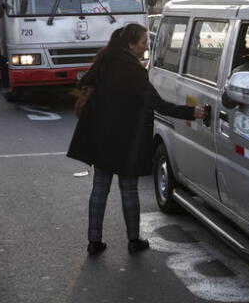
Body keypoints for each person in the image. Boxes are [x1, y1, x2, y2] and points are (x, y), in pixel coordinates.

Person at [67, 23, 207, 255]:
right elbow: (158, 104)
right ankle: (134, 240)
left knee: (100, 187)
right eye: (143, 43)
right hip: (126, 139)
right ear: (131, 45)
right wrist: (191, 112)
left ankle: (94, 242)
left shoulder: (105, 59)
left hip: (101, 136)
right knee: (129, 188)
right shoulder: (133, 70)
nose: (145, 48)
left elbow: (83, 83)